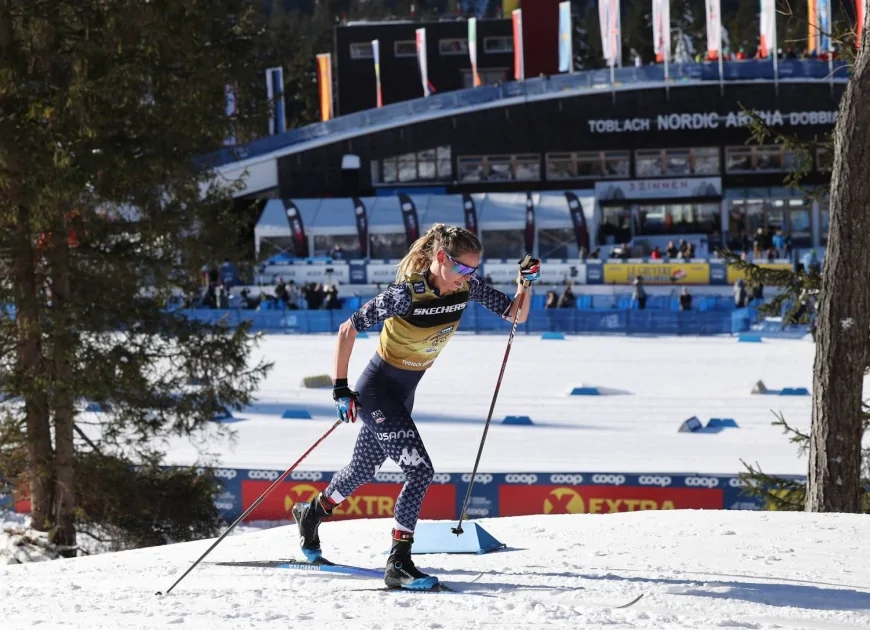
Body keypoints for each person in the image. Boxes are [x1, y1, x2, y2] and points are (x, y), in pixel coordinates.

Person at [292, 224, 541, 590]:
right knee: (420, 471)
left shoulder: (467, 288)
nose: (468, 278)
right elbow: (348, 328)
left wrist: (525, 283)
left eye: (474, 271)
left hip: (403, 394)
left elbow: (516, 315)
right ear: (441, 258)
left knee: (362, 469)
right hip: (377, 391)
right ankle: (399, 561)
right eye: (463, 269)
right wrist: (341, 389)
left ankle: (310, 513)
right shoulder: (406, 295)